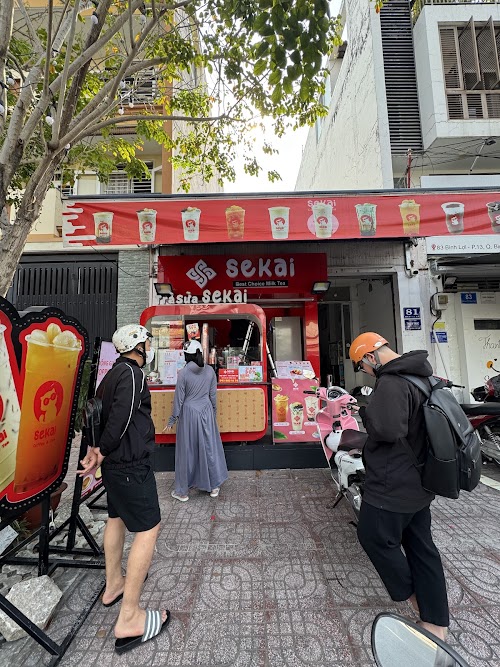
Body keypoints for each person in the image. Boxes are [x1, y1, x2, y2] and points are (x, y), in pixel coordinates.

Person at [348, 332, 449, 641]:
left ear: (370, 356)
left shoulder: (391, 382)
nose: (365, 371)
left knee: (373, 536)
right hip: (419, 480)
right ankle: (436, 623)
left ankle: (415, 602)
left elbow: (387, 430)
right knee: (421, 548)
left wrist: (364, 412)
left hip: (393, 483)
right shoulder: (420, 375)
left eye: (361, 365)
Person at [79, 324, 170, 654]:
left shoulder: (111, 375)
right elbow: (120, 419)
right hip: (131, 466)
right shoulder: (132, 375)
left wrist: (97, 451)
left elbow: (97, 415)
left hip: (115, 469)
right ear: (138, 346)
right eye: (147, 342)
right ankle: (129, 616)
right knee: (148, 529)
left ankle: (114, 583)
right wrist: (101, 451)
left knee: (116, 519)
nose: (149, 347)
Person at [166, 339, 228, 501]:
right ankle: (214, 486)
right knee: (209, 448)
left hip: (189, 413)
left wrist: (172, 419)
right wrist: (213, 413)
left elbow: (179, 399)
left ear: (187, 356)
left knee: (187, 451)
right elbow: (213, 396)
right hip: (206, 411)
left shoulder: (184, 373)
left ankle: (182, 492)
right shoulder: (210, 371)